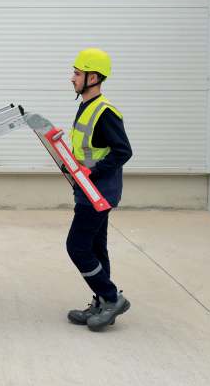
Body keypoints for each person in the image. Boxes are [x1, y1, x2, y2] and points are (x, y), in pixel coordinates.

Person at [65, 48, 133, 331]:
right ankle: (103, 301)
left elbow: (123, 151)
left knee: (77, 246)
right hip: (88, 189)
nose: (72, 78)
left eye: (77, 73)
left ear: (92, 78)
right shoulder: (87, 106)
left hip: (98, 193)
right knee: (96, 246)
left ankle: (112, 297)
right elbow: (88, 149)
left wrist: (92, 172)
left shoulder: (105, 112)